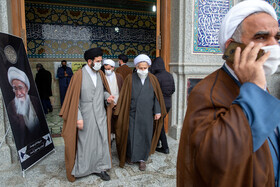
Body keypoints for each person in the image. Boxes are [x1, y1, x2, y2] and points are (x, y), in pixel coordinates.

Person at [177, 1, 280, 186]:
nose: (274, 45)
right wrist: (254, 88)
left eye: (277, 37)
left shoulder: (256, 82)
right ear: (233, 47)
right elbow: (219, 159)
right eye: (261, 37)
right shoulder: (206, 92)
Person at [59, 47, 115, 182]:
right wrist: (78, 117)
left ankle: (101, 168)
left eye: (101, 61)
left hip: (100, 115)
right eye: (98, 61)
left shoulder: (100, 74)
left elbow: (102, 92)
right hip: (86, 116)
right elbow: (74, 100)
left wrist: (107, 97)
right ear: (89, 61)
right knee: (86, 144)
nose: (100, 64)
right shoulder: (79, 75)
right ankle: (84, 169)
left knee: (101, 142)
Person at [114, 54, 167, 171]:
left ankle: (142, 159)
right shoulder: (129, 78)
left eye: (145, 68)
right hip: (132, 114)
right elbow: (124, 96)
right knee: (132, 136)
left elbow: (156, 97)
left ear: (148, 67)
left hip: (147, 114)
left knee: (145, 136)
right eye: (140, 68)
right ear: (136, 67)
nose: (143, 70)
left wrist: (157, 111)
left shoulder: (153, 79)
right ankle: (132, 157)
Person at [7, 67, 46, 149]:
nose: (18, 93)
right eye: (15, 88)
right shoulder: (11, 106)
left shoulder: (35, 101)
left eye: (20, 88)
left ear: (27, 88)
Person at [150, 57, 175, 154]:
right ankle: (157, 143)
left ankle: (165, 147)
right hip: (168, 103)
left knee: (159, 125)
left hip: (160, 104)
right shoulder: (169, 75)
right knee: (159, 123)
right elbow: (173, 90)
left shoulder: (156, 77)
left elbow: (154, 92)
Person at [103, 59, 124, 139]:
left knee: (117, 120)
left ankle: (116, 135)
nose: (107, 71)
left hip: (118, 103)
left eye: (109, 69)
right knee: (108, 120)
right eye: (106, 69)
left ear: (113, 68)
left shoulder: (119, 76)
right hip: (107, 103)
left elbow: (122, 89)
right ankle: (110, 136)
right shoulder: (102, 77)